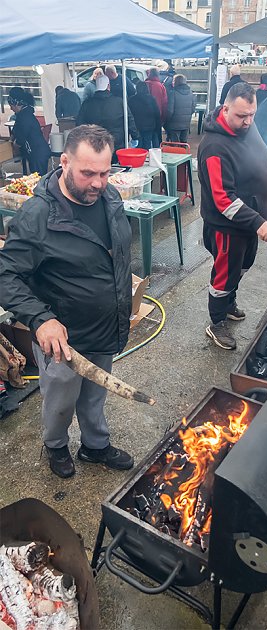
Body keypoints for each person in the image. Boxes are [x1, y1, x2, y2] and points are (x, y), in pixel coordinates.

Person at [0, 125, 134, 479]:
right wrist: (40, 319)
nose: (98, 183)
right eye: (88, 172)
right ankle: (56, 445)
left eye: (105, 173)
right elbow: (5, 275)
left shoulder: (110, 198)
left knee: (96, 394)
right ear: (64, 162)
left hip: (105, 328)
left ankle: (95, 445)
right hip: (62, 339)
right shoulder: (37, 215)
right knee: (61, 400)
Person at [197, 82, 267, 351]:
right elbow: (223, 200)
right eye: (241, 116)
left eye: (252, 115)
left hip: (251, 221)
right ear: (226, 109)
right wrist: (259, 222)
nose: (248, 122)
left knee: (243, 265)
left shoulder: (246, 125)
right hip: (226, 227)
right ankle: (216, 321)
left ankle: (229, 301)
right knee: (224, 274)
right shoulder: (214, 148)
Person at [76, 75, 138, 160]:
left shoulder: (87, 104)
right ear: (108, 86)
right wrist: (135, 136)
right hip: (117, 145)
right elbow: (129, 120)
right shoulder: (119, 102)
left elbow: (79, 124)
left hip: (94, 145)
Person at [8, 87, 51, 175]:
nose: (11, 108)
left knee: (38, 181)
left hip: (37, 153)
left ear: (16, 103)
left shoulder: (25, 117)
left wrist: (13, 148)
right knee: (37, 178)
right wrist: (11, 139)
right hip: (37, 152)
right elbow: (16, 129)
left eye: (11, 106)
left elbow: (20, 139)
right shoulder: (23, 114)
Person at [128, 81, 161, 149]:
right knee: (147, 145)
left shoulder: (131, 100)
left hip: (137, 127)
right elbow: (157, 113)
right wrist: (157, 127)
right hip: (150, 126)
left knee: (138, 146)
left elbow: (129, 115)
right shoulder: (151, 99)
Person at [165, 74, 196, 143]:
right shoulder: (191, 93)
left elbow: (170, 111)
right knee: (184, 143)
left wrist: (166, 121)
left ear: (176, 82)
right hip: (186, 123)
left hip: (174, 124)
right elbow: (193, 109)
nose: (172, 82)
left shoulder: (173, 93)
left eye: (173, 81)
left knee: (175, 143)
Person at [145, 68, 168, 145]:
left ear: (149, 74)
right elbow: (164, 103)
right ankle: (157, 153)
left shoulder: (144, 84)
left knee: (145, 140)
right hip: (157, 116)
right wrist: (163, 118)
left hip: (144, 116)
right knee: (157, 138)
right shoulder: (161, 86)